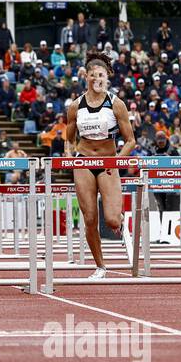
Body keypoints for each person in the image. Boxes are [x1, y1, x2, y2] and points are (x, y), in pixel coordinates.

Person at [63, 52, 136, 279]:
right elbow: (69, 137)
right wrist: (68, 153)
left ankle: (120, 219)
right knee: (90, 218)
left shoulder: (117, 104)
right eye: (92, 75)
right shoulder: (75, 106)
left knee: (111, 219)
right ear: (86, 77)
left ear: (107, 77)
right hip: (84, 162)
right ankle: (100, 266)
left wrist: (116, 160)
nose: (96, 79)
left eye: (101, 75)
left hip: (107, 162)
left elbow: (131, 141)